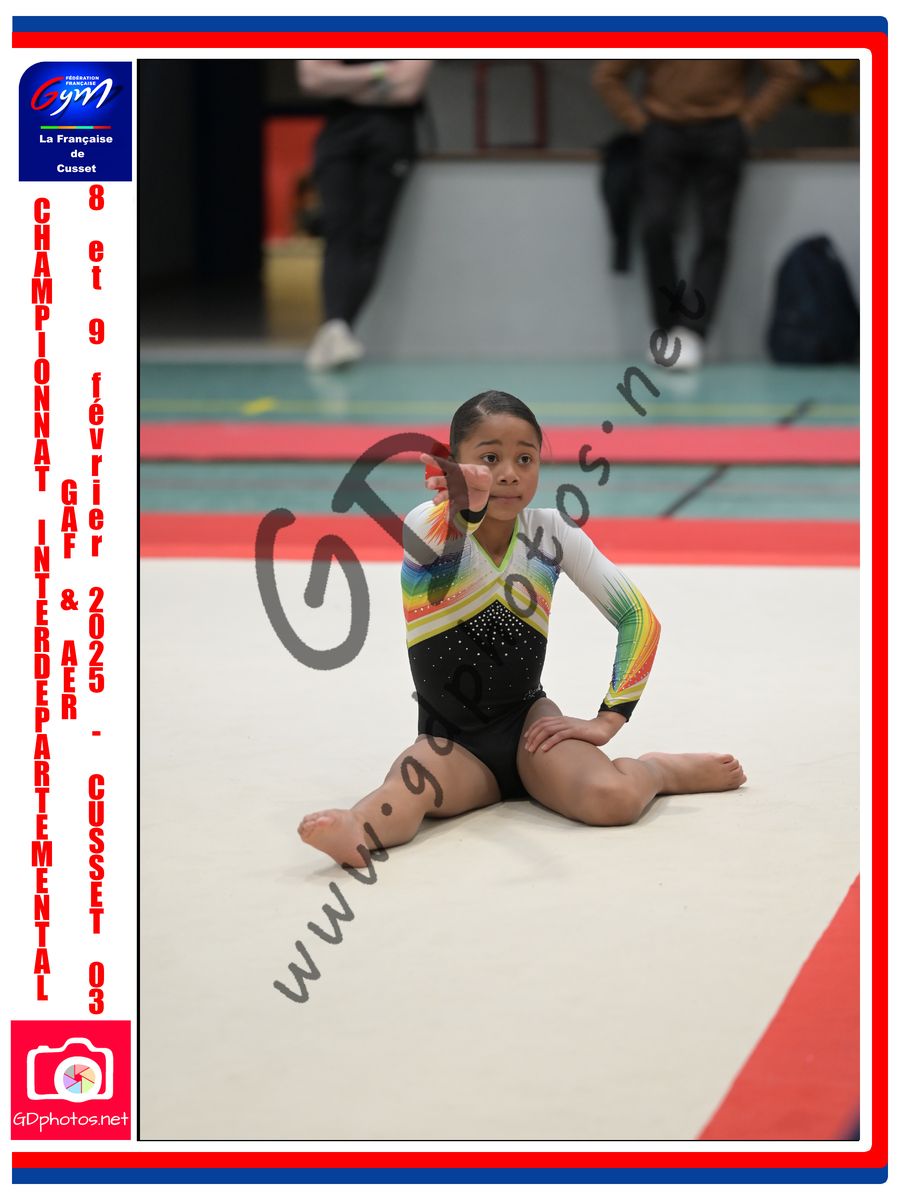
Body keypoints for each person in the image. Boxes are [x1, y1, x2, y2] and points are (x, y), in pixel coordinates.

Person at [299, 390, 746, 867]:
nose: (510, 473)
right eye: (490, 458)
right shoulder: (424, 528)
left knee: (613, 800)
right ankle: (354, 826)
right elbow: (452, 528)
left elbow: (638, 618)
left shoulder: (551, 533)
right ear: (454, 463)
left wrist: (609, 718)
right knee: (404, 791)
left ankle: (657, 771)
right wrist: (467, 500)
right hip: (451, 744)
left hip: (532, 728)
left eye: (525, 458)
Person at [592, 59, 803, 368]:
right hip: (662, 131)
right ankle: (667, 325)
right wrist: (640, 123)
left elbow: (787, 73)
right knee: (656, 227)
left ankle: (693, 331)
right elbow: (607, 76)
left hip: (723, 132)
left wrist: (748, 121)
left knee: (714, 233)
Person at [296, 59, 433, 370]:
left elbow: (407, 89)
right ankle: (336, 327)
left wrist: (343, 83)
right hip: (339, 135)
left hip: (390, 135)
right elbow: (312, 79)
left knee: (371, 235)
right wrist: (378, 72)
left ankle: (337, 328)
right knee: (338, 232)